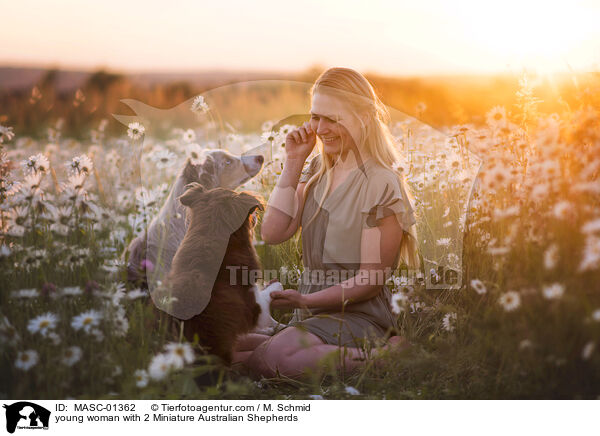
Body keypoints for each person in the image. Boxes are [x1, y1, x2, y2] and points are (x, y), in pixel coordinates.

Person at [232, 67, 420, 378]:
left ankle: (386, 355)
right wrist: (294, 161)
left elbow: (370, 280)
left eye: (333, 119)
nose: (321, 128)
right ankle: (288, 350)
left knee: (271, 359)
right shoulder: (318, 170)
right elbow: (274, 232)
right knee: (222, 344)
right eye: (316, 116)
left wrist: (304, 299)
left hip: (359, 316)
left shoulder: (382, 183)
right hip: (313, 316)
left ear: (363, 117)